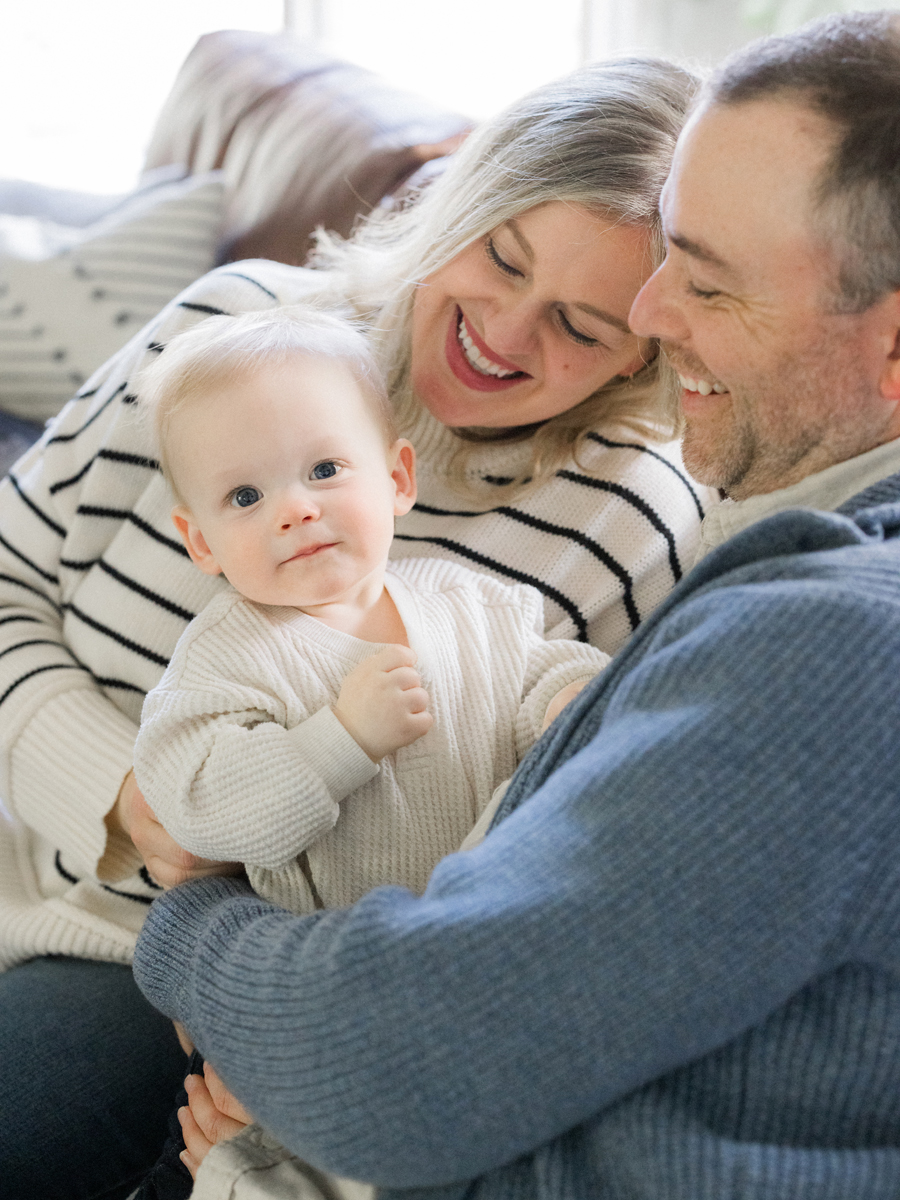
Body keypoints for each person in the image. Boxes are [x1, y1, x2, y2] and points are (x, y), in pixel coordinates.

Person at [133, 11, 900, 1200]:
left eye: (704, 281)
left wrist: (187, 929)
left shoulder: (834, 642)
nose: (651, 319)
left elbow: (399, 1061)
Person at [0, 56, 712, 1198]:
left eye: (579, 326)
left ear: (648, 348)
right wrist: (120, 798)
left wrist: (311, 1036)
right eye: (500, 257)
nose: (505, 336)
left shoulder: (627, 516)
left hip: (266, 988)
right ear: (459, 203)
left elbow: (566, 841)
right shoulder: (225, 341)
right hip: (51, 880)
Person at [134, 304, 606, 914]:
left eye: (325, 469)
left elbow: (534, 674)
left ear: (397, 479)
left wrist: (567, 695)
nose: (297, 509)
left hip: (499, 924)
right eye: (245, 495)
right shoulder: (225, 657)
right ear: (200, 541)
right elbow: (200, 811)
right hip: (333, 966)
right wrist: (343, 739)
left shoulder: (466, 601)